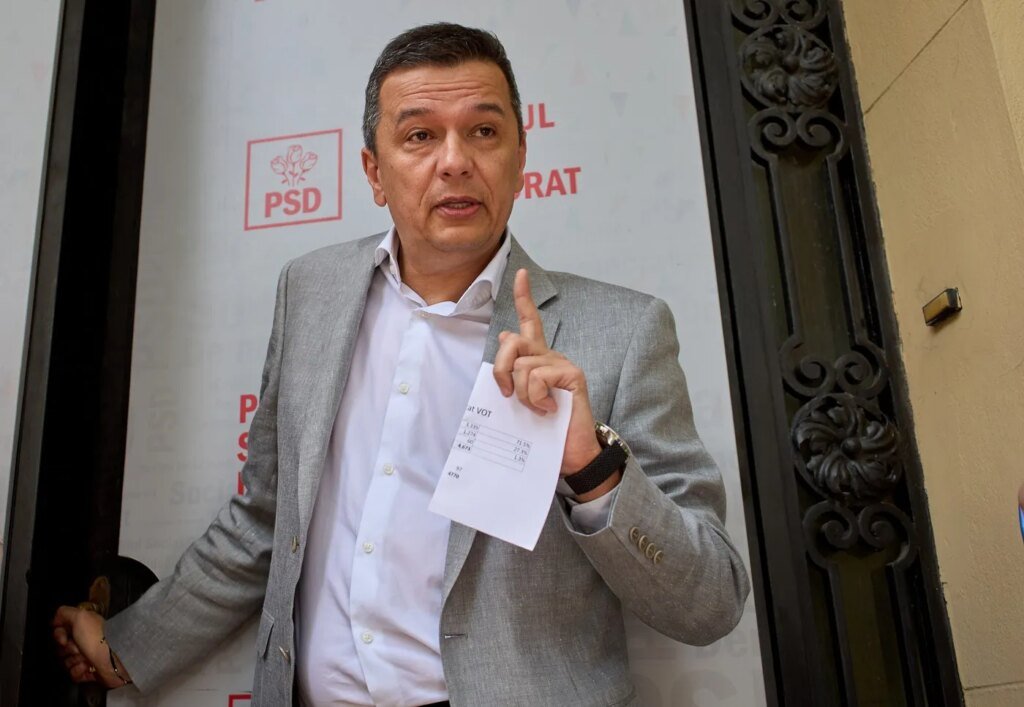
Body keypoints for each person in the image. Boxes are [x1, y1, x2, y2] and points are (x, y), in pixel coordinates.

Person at [53, 22, 750, 706]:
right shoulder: (310, 292)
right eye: (419, 135)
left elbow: (710, 601)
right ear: (373, 171)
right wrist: (128, 645)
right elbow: (265, 519)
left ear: (520, 157)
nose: (455, 161)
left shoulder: (620, 333)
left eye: (484, 131)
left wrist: (590, 469)